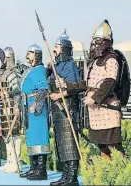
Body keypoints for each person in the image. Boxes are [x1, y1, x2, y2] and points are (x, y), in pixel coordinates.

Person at [57, 20, 128, 160]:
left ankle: (122, 174)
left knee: (114, 147)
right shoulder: (94, 62)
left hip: (108, 110)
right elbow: (87, 84)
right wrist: (67, 85)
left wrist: (94, 98)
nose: (94, 45)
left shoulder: (111, 59)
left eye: (97, 41)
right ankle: (107, 173)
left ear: (105, 42)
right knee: (102, 147)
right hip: (97, 112)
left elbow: (110, 82)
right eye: (94, 41)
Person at [48, 32, 82, 186]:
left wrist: (60, 94)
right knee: (62, 143)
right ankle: (65, 175)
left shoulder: (70, 65)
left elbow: (75, 88)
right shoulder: (57, 65)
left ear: (64, 49)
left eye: (56, 47)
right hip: (58, 110)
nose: (54, 49)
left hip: (67, 107)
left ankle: (72, 177)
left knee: (70, 143)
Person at [20, 44, 50, 180]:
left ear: (36, 54)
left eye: (30, 52)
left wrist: (36, 105)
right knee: (31, 137)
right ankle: (33, 168)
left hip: (36, 108)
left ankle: (41, 170)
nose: (28, 54)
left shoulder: (39, 70)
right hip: (28, 105)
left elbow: (43, 89)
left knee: (39, 137)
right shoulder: (30, 70)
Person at [0, 47, 22, 173]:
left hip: (12, 106)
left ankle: (16, 161)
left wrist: (17, 106)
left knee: (14, 133)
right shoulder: (4, 73)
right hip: (4, 106)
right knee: (7, 133)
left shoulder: (14, 73)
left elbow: (17, 91)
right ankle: (9, 160)